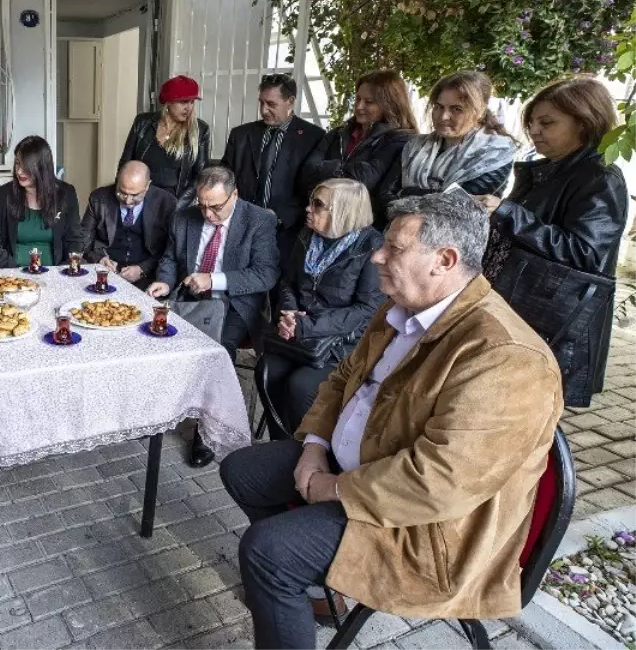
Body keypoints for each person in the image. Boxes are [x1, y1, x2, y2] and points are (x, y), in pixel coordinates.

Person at [219, 190, 561, 650]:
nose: (377, 255)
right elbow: (343, 379)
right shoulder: (400, 306)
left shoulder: (505, 357)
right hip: (360, 469)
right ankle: (314, 587)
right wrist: (316, 445)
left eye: (395, 248)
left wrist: (333, 488)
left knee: (267, 551)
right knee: (242, 471)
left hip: (428, 531)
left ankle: (292, 578)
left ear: (444, 259)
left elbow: (440, 484)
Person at [480, 77, 629, 407]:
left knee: (520, 412)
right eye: (532, 122)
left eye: (547, 123)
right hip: (517, 309)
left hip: (550, 319)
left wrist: (508, 213)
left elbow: (586, 253)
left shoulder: (599, 176)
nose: (535, 131)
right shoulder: (548, 171)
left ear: (584, 121)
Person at [148, 165, 279, 467]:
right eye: (202, 205)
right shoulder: (185, 216)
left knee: (215, 350)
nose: (208, 214)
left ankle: (206, 432)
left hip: (233, 303)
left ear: (235, 194)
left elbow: (266, 274)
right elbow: (170, 257)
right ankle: (158, 415)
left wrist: (214, 279)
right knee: (151, 336)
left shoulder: (257, 221)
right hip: (189, 299)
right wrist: (165, 281)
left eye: (216, 207)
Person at [259, 179, 384, 438]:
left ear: (343, 211)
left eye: (318, 205)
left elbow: (366, 310)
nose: (307, 209)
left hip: (342, 343)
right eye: (311, 201)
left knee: (301, 386)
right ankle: (280, 443)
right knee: (266, 370)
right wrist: (290, 314)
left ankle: (307, 447)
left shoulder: (370, 247)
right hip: (299, 333)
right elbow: (287, 282)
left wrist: (307, 325)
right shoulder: (307, 235)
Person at [221, 73, 326, 264]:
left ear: (290, 101)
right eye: (261, 102)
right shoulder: (241, 135)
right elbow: (225, 176)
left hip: (287, 232)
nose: (264, 110)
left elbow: (313, 189)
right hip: (240, 226)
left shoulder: (313, 137)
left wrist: (278, 216)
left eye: (271, 104)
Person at [301, 70, 417, 226]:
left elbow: (366, 179)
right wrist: (345, 171)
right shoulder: (339, 133)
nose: (359, 106)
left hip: (362, 229)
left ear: (389, 104)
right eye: (357, 99)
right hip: (321, 222)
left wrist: (327, 169)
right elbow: (307, 170)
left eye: (369, 102)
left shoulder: (401, 139)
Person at [390, 70, 516, 199]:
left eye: (457, 109)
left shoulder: (495, 152)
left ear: (480, 111)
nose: (443, 117)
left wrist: (406, 193)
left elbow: (461, 202)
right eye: (438, 107)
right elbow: (387, 194)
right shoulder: (414, 146)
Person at [0, 135, 84, 268]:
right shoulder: (3, 195)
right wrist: (13, 270)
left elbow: (75, 239)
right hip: (13, 275)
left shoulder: (66, 194)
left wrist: (64, 270)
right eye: (17, 163)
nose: (19, 171)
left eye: (26, 166)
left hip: (55, 274)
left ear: (42, 167)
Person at [79, 161, 178, 291]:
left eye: (135, 195)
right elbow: (82, 240)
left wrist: (143, 269)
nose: (127, 200)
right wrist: (99, 259)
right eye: (122, 192)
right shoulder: (99, 199)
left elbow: (170, 250)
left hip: (149, 276)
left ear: (147, 186)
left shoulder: (166, 202)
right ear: (117, 181)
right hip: (105, 272)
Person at [117, 75, 212, 200]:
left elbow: (201, 177)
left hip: (176, 201)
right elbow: (125, 164)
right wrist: (123, 196)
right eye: (183, 101)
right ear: (168, 101)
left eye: (192, 102)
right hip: (140, 199)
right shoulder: (143, 122)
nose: (188, 108)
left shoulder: (200, 130)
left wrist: (178, 207)